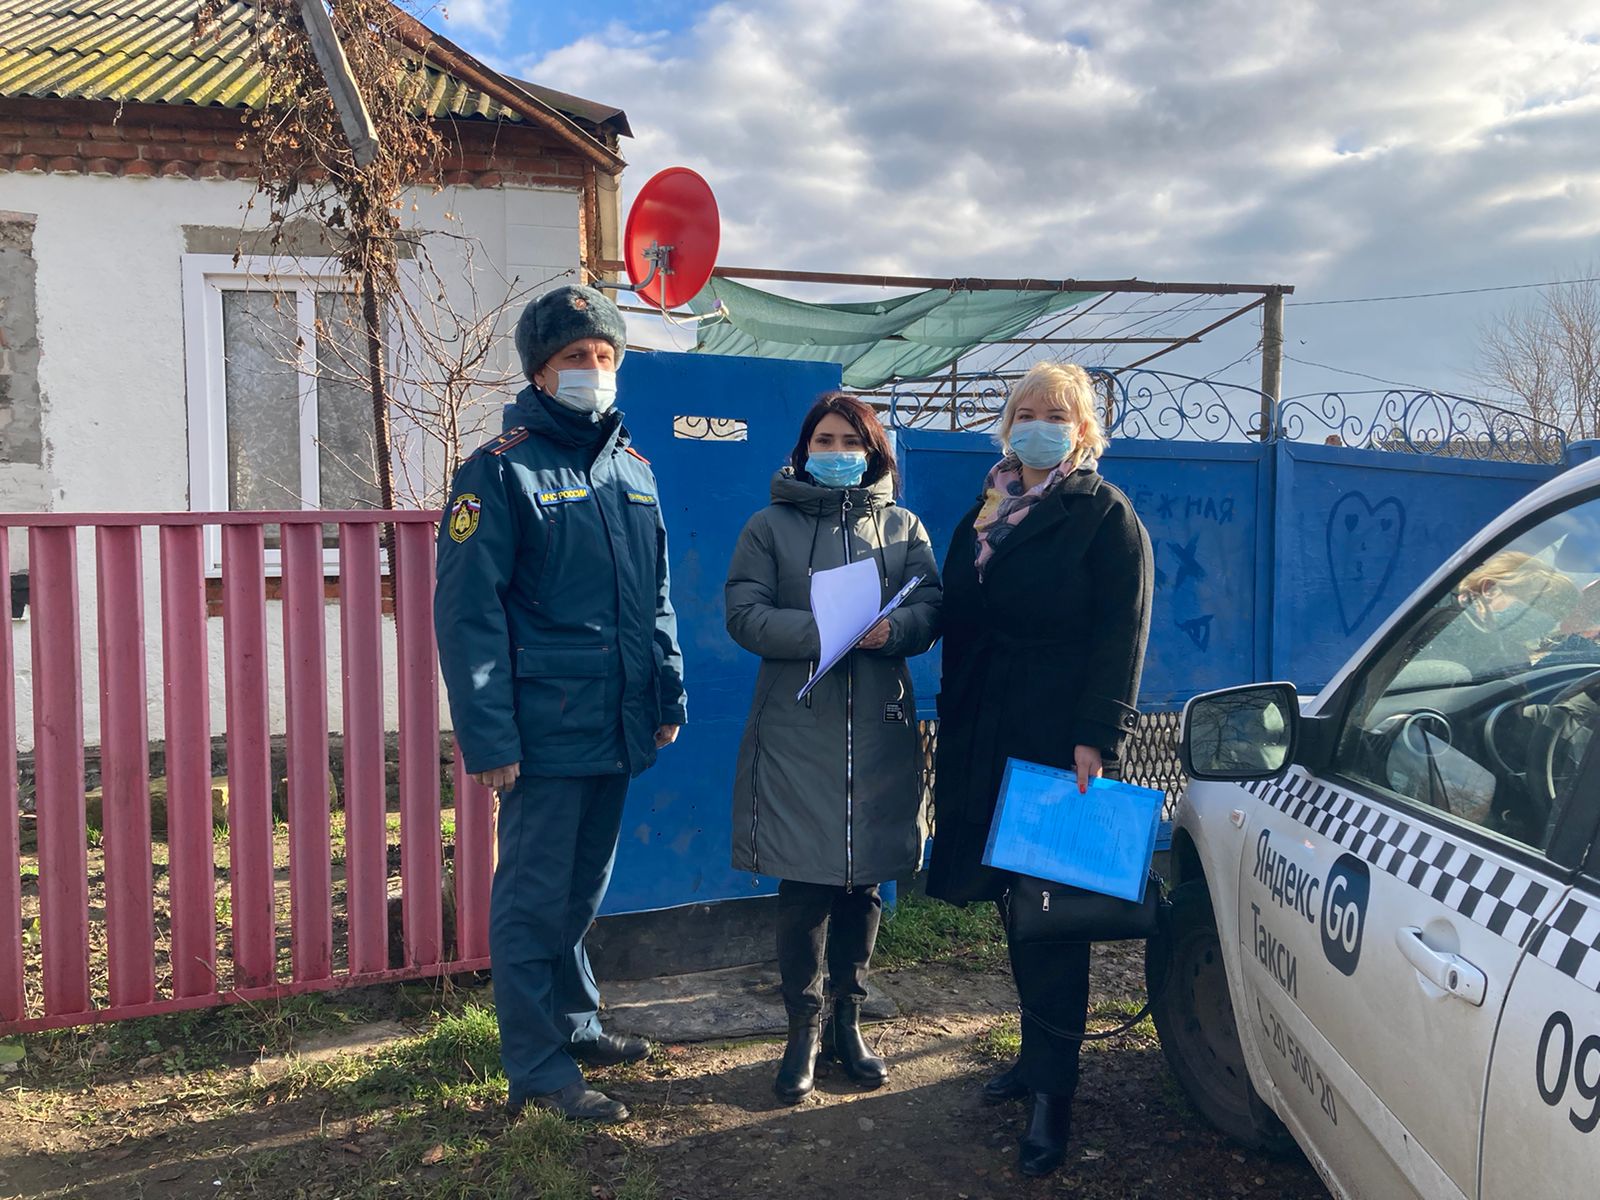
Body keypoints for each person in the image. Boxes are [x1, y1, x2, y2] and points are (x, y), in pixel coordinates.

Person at [434, 284, 686, 1124]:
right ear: (540, 371)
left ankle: (575, 1024)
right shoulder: (500, 470)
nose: (594, 370)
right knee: (533, 900)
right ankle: (538, 1068)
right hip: (542, 731)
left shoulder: (633, 470)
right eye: (576, 356)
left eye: (606, 356)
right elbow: (467, 614)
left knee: (582, 890)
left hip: (618, 721)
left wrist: (667, 689)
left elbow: (655, 599)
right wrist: (490, 738)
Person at [925, 361, 1153, 1177]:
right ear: (1007, 424)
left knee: (1052, 914)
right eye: (1027, 412)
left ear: (1083, 430)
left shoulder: (1103, 513)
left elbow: (1123, 632)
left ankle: (1055, 1093)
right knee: (1013, 906)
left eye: (1058, 415)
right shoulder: (986, 510)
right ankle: (1032, 1056)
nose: (1040, 426)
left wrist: (1097, 736)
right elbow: (958, 611)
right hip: (985, 731)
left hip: (1059, 741)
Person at [725, 392, 942, 1104]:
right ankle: (803, 1029)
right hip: (799, 727)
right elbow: (744, 614)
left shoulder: (903, 526)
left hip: (878, 725)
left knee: (865, 881)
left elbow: (931, 605)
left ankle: (849, 1021)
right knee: (806, 882)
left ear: (873, 453)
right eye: (824, 440)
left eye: (851, 441)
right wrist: (829, 631)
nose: (838, 452)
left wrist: (894, 629)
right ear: (804, 450)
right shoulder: (769, 526)